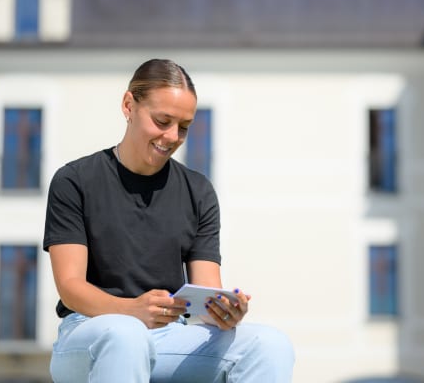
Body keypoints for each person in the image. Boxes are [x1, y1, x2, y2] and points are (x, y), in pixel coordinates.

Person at [43, 59, 295, 382]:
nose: (172, 136)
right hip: (88, 330)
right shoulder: (74, 181)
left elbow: (206, 294)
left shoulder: (198, 191)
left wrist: (224, 312)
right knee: (126, 335)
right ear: (128, 105)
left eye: (184, 127)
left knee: (271, 345)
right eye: (162, 120)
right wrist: (131, 310)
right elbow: (70, 289)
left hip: (168, 336)